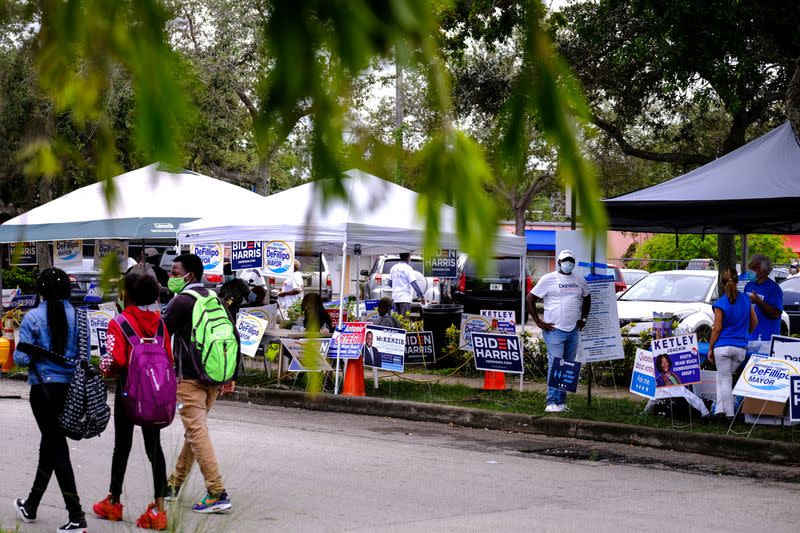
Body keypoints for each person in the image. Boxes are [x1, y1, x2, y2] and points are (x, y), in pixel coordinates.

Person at [93, 273, 173, 530]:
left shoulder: (120, 322)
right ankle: (159, 511)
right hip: (156, 393)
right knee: (154, 448)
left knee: (122, 446)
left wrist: (103, 366)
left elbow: (115, 360)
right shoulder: (161, 324)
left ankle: (114, 502)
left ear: (127, 294)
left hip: (128, 390)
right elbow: (169, 359)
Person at [12, 268, 88, 532]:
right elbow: (84, 354)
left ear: (41, 290)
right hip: (71, 390)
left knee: (56, 448)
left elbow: (20, 359)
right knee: (51, 446)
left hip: (43, 391)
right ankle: (31, 504)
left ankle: (76, 515)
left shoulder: (33, 317)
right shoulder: (80, 316)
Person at [163, 253, 239, 513]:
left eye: (174, 272)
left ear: (189, 275)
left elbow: (160, 337)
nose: (170, 277)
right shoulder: (214, 297)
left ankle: (217, 492)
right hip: (215, 376)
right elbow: (233, 333)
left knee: (196, 433)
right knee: (195, 433)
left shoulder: (181, 302)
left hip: (189, 380)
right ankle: (173, 485)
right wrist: (231, 376)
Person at [526, 250, 590, 413]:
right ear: (559, 262)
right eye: (565, 261)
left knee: (567, 366)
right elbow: (530, 298)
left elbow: (587, 298)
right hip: (555, 330)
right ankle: (552, 401)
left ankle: (561, 402)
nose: (568, 263)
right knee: (556, 365)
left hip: (572, 330)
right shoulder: (548, 279)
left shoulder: (579, 280)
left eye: (571, 261)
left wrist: (583, 318)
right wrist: (538, 322)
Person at [708, 268, 758, 417]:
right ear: (737, 282)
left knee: (724, 380)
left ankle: (729, 415)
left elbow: (716, 329)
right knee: (723, 377)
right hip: (740, 348)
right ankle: (719, 410)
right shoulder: (746, 299)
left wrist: (710, 348)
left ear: (723, 284)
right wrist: (744, 335)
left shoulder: (720, 303)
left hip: (722, 347)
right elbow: (755, 322)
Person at [744, 253, 783, 341]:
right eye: (750, 266)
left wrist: (759, 302)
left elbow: (776, 314)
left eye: (754, 267)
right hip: (749, 337)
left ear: (765, 271)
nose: (750, 270)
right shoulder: (748, 286)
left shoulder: (774, 289)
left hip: (766, 338)